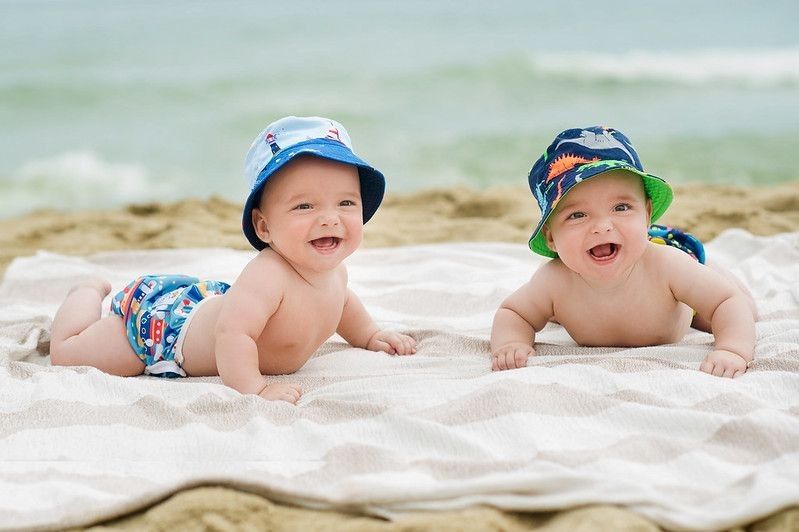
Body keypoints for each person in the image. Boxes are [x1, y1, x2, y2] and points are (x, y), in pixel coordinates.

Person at [50, 116, 417, 403]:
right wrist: (254, 389)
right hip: (165, 333)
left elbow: (341, 304)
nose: (329, 218)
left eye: (346, 203)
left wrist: (369, 335)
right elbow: (232, 333)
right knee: (69, 354)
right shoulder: (269, 275)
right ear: (264, 227)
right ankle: (85, 293)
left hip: (212, 303)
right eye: (304, 205)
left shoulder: (334, 272)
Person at [490, 126, 756, 378]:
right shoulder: (553, 281)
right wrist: (512, 342)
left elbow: (727, 301)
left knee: (737, 311)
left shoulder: (667, 267)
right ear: (550, 237)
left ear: (647, 214)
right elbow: (514, 313)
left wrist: (731, 349)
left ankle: (713, 271)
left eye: (621, 208)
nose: (602, 227)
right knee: (550, 309)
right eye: (578, 215)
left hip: (679, 280)